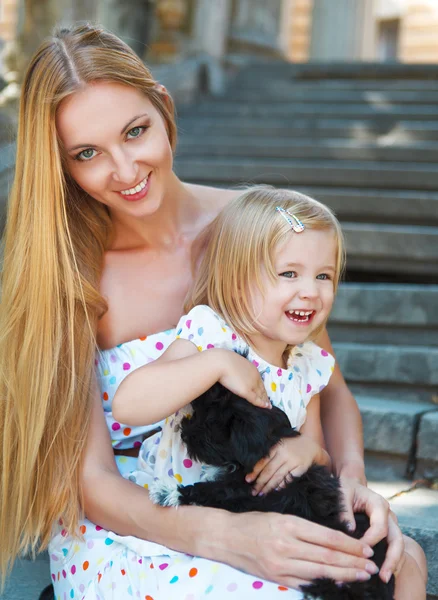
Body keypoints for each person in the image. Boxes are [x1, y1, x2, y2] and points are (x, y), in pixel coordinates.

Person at [0, 23, 426, 600]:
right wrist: (226, 536)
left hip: (261, 487)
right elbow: (92, 482)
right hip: (137, 521)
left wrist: (351, 483)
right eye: (87, 153)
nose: (124, 170)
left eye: (135, 131)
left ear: (165, 109)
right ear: (62, 166)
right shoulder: (70, 273)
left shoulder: (261, 231)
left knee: (395, 564)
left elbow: (325, 385)